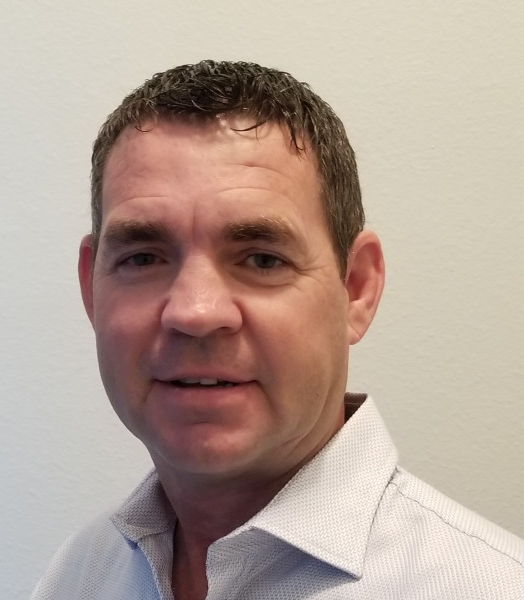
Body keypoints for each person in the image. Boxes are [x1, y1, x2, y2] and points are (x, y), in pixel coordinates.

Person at [31, 60, 524, 600]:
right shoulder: (78, 576)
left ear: (356, 289)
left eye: (262, 259)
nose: (195, 312)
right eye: (143, 257)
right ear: (91, 287)